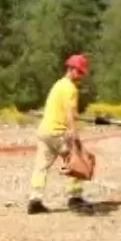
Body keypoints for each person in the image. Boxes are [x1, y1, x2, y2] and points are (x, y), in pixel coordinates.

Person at [27, 54, 90, 214]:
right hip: (58, 131)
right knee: (76, 160)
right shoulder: (70, 88)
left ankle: (35, 199)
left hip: (44, 131)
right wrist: (74, 133)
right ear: (72, 69)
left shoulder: (58, 85)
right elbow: (69, 112)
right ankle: (75, 197)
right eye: (80, 72)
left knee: (41, 166)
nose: (81, 76)